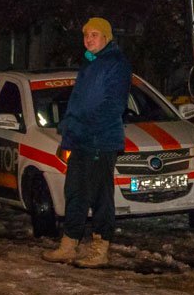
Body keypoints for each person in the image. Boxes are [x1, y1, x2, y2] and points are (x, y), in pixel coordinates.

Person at [41, 17, 131, 268]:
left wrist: (84, 126)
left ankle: (100, 247)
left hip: (100, 140)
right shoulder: (91, 64)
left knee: (100, 195)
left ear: (106, 37)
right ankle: (70, 243)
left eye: (94, 34)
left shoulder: (115, 64)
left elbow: (113, 105)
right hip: (81, 140)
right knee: (75, 193)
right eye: (86, 35)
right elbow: (79, 104)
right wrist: (69, 131)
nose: (89, 39)